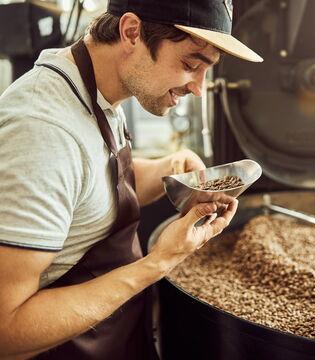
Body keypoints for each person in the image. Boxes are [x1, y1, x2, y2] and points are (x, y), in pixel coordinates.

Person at [0, 0, 262, 358]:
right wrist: (158, 262)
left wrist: (168, 170)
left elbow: (86, 187)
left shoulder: (96, 90)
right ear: (131, 32)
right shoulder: (43, 131)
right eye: (190, 64)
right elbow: (7, 329)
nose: (199, 88)